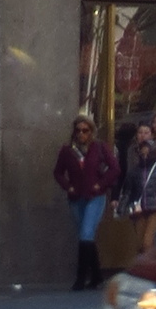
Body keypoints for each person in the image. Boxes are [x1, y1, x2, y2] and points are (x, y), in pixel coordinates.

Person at [54, 110, 118, 292]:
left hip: (94, 196)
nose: (82, 134)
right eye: (79, 130)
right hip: (76, 197)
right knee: (86, 236)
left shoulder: (99, 147)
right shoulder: (67, 150)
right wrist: (68, 186)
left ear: (91, 132)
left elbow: (115, 168)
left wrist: (102, 184)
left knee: (86, 234)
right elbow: (57, 172)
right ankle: (97, 275)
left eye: (86, 130)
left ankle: (81, 277)